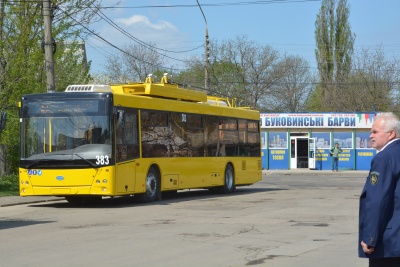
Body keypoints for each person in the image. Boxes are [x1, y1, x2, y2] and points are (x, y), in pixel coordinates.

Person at [359, 112, 400, 266]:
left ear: (391, 134)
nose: (370, 136)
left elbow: (377, 200)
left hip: (389, 243)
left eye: (375, 132)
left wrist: (370, 237)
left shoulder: (384, 158)